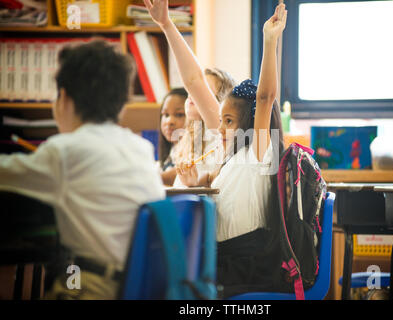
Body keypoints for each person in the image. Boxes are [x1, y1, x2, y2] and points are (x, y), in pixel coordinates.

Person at [0, 40, 165, 299]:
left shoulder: (65, 150)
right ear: (122, 104)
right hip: (145, 284)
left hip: (94, 287)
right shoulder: (141, 147)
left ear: (63, 98)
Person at [173, 3, 289, 297]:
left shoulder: (259, 154)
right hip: (223, 259)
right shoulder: (231, 160)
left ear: (251, 125)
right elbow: (210, 183)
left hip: (247, 264)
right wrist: (191, 182)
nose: (220, 129)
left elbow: (265, 97)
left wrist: (270, 40)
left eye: (228, 121)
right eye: (220, 120)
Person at [144, 0, 235, 187]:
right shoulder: (188, 138)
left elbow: (194, 80)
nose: (192, 95)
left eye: (205, 92)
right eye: (189, 93)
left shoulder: (218, 132)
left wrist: (167, 25)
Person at [158, 87, 187, 186]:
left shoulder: (195, 152)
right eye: (166, 115)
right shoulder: (170, 154)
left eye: (179, 115)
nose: (169, 121)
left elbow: (176, 174)